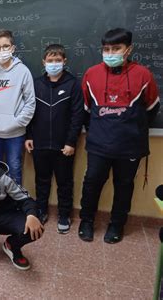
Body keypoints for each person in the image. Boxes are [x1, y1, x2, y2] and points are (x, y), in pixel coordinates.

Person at [78, 28, 160, 244]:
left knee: (124, 186)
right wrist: (98, 130)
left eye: (116, 48)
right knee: (92, 182)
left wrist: (132, 129)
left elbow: (152, 108)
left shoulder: (143, 74)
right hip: (98, 145)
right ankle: (86, 221)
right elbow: (85, 109)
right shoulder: (91, 74)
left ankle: (116, 224)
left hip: (129, 147)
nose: (110, 53)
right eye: (106, 49)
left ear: (128, 49)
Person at [25, 44, 84, 234]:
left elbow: (77, 116)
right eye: (50, 61)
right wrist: (29, 136)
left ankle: (64, 214)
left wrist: (71, 142)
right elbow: (29, 112)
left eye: (57, 60)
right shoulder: (36, 84)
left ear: (64, 61)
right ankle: (41, 210)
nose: (54, 64)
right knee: (41, 181)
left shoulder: (73, 84)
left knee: (64, 181)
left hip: (63, 146)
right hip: (40, 143)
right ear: (44, 62)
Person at [0, 29, 35, 185]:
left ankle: (15, 204)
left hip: (15, 134)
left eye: (5, 46)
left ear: (13, 48)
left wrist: (17, 123)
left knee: (15, 169)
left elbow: (30, 102)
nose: (1, 50)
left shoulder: (23, 71)